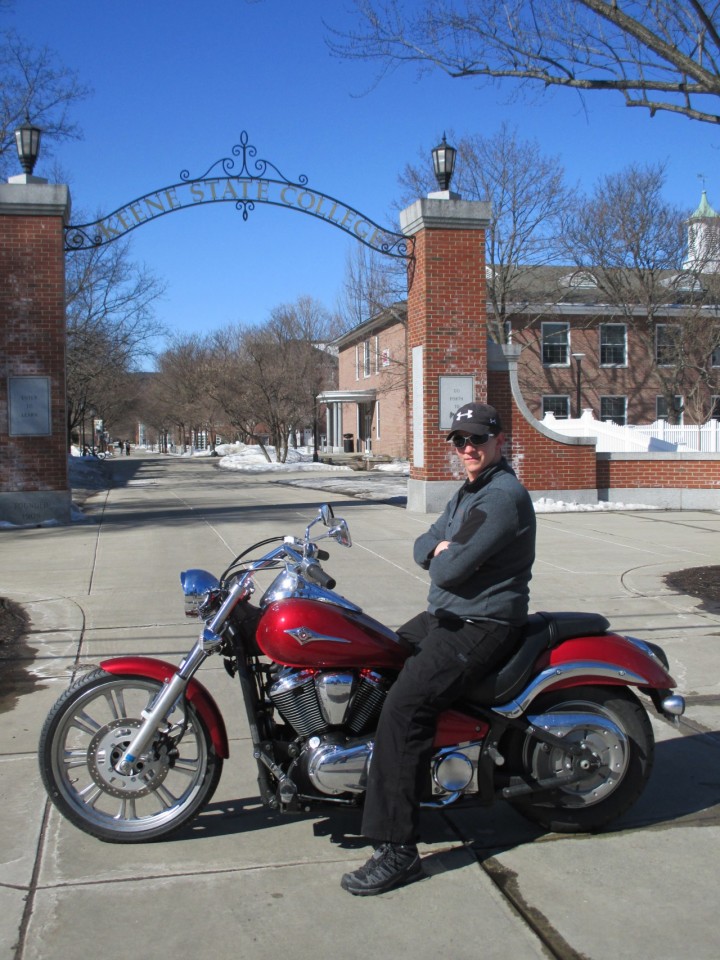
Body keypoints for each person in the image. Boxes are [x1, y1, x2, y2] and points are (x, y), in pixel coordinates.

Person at [340, 402, 537, 896]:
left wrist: (443, 551)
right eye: (459, 440)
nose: (467, 448)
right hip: (445, 616)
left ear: (499, 441)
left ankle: (397, 848)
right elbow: (423, 545)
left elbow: (446, 567)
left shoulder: (502, 497)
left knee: (406, 706)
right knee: (375, 661)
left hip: (482, 623)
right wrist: (440, 547)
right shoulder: (469, 492)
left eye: (477, 439)